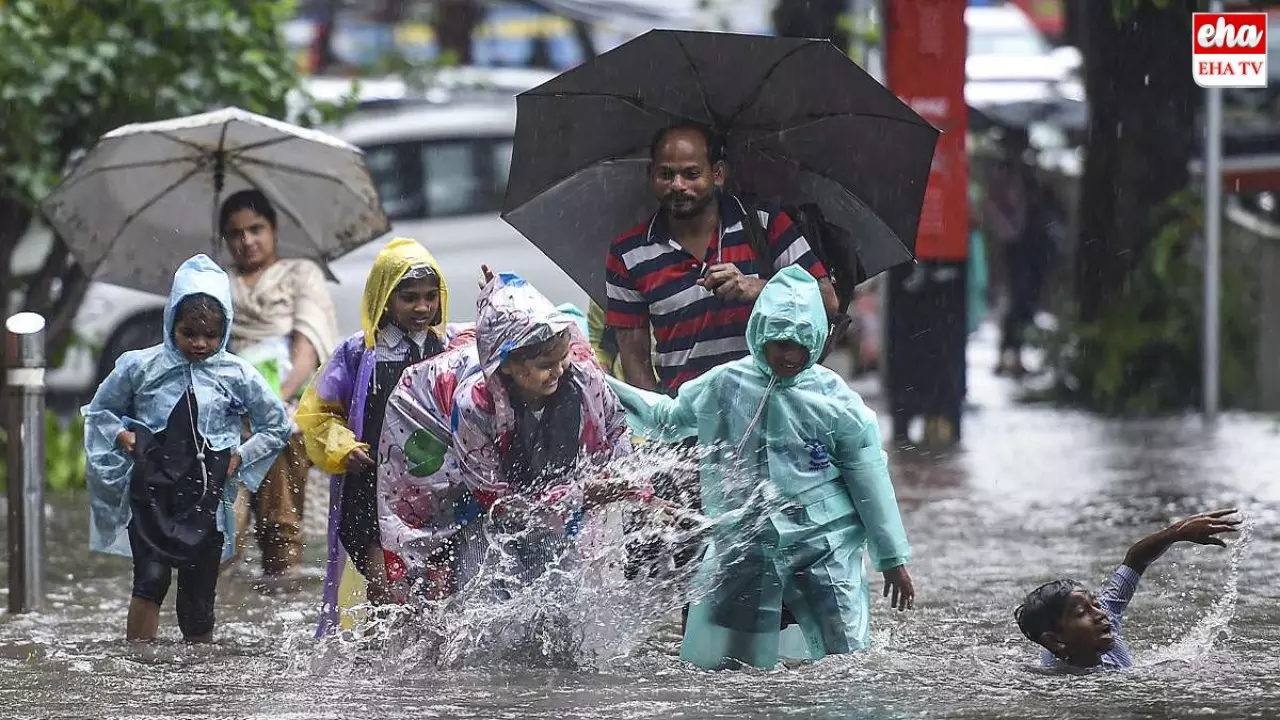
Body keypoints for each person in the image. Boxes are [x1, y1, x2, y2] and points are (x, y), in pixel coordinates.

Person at [606, 266, 915, 670]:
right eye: (779, 343)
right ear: (760, 335)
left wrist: (892, 559)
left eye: (799, 345)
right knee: (725, 669)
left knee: (847, 665)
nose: (788, 355)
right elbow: (665, 418)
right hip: (747, 544)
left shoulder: (837, 402)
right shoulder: (726, 384)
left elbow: (869, 479)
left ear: (817, 340)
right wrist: (596, 380)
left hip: (822, 547)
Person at [83, 254, 291, 642]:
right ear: (170, 324)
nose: (200, 343)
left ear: (225, 328)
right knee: (149, 580)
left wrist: (240, 457)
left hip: (207, 499)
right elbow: (100, 412)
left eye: (211, 335)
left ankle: (196, 681)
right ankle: (139, 663)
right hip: (151, 494)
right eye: (189, 332)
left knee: (198, 601)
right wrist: (122, 436)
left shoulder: (237, 373)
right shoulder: (139, 367)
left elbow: (276, 424)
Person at [434, 268, 644, 597]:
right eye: (546, 365)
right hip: (482, 511)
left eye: (562, 359)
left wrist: (627, 486)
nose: (558, 371)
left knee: (565, 599)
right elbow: (496, 504)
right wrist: (581, 495)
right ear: (505, 365)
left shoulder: (583, 378)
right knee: (485, 600)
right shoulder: (475, 406)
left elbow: (616, 430)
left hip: (558, 502)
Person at [295, 238, 462, 635]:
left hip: (432, 491)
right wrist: (343, 447)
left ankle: (422, 678)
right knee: (384, 588)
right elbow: (317, 416)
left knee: (436, 593)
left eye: (429, 297)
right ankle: (375, 672)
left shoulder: (449, 347)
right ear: (385, 298)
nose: (422, 308)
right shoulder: (358, 353)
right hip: (369, 490)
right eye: (409, 298)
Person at [219, 188, 340, 578]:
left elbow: (309, 347)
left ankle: (282, 582)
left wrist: (273, 401)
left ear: (273, 229)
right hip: (227, 412)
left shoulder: (299, 275)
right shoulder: (219, 285)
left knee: (280, 525)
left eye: (256, 229)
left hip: (286, 407)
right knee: (221, 536)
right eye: (236, 233)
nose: (247, 240)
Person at [1015, 508, 1242, 671]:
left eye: (1095, 604)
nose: (1100, 613)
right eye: (1082, 612)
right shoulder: (1054, 681)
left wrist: (1176, 533)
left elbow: (1136, 559)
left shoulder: (1107, 617)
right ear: (1055, 641)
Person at [981, 129, 1055, 377]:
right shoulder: (1003, 174)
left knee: (1026, 301)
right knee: (1017, 298)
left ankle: (1016, 354)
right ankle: (1007, 354)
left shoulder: (1028, 173)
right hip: (1015, 244)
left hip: (1032, 244)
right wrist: (1009, 230)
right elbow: (995, 209)